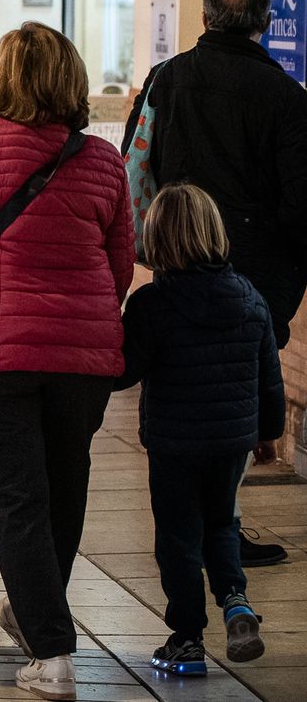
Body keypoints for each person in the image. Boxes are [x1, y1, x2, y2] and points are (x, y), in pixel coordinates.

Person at [0, 22, 135, 701]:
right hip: (84, 352)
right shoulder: (103, 160)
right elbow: (121, 265)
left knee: (16, 496)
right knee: (65, 486)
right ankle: (36, 612)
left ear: (5, 77)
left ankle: (53, 651)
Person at [121, 0, 307, 568]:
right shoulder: (287, 98)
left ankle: (193, 527)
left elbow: (134, 163)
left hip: (178, 259)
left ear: (203, 17)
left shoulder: (167, 79)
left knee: (182, 385)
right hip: (256, 275)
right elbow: (300, 205)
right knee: (234, 393)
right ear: (266, 22)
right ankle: (220, 528)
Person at [117, 184, 282, 679]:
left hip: (175, 442)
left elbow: (124, 371)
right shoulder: (250, 296)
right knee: (221, 524)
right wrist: (268, 434)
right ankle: (235, 601)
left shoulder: (152, 304)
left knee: (178, 539)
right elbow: (269, 375)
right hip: (232, 442)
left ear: (157, 239)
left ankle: (187, 639)